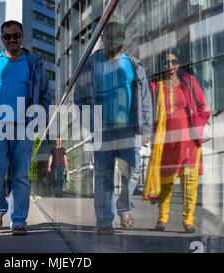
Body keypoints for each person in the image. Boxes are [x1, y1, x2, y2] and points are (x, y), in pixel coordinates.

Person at [0, 20, 50, 235]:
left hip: (24, 127)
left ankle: (18, 220)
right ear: (2, 39)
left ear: (22, 37)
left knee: (21, 175)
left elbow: (44, 95)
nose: (12, 40)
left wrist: (38, 120)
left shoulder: (34, 63)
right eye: (8, 37)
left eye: (16, 35)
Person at [74, 21, 153, 234]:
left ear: (123, 39)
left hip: (129, 129)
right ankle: (105, 222)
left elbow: (145, 99)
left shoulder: (134, 65)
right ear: (103, 38)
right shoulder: (91, 64)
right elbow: (79, 98)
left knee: (133, 172)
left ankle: (123, 205)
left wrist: (146, 129)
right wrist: (91, 123)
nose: (113, 41)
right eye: (109, 37)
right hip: (102, 131)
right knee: (103, 176)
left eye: (118, 37)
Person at [145, 49, 210, 233]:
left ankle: (188, 220)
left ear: (179, 63)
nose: (170, 66)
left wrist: (198, 127)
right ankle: (162, 218)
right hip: (165, 143)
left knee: (190, 183)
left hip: (188, 143)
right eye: (166, 63)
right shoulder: (155, 86)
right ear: (161, 66)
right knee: (165, 183)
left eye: (174, 61)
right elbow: (147, 111)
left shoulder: (188, 81)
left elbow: (203, 107)